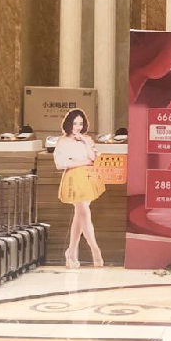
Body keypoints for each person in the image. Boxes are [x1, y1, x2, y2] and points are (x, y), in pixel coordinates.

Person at [54, 108, 106, 268]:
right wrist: (82, 162)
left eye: (80, 123)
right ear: (68, 124)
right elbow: (60, 163)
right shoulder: (63, 141)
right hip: (73, 178)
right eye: (75, 123)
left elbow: (94, 158)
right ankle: (95, 249)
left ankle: (71, 252)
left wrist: (84, 142)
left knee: (80, 214)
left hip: (88, 178)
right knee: (83, 210)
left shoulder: (87, 139)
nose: (77, 127)